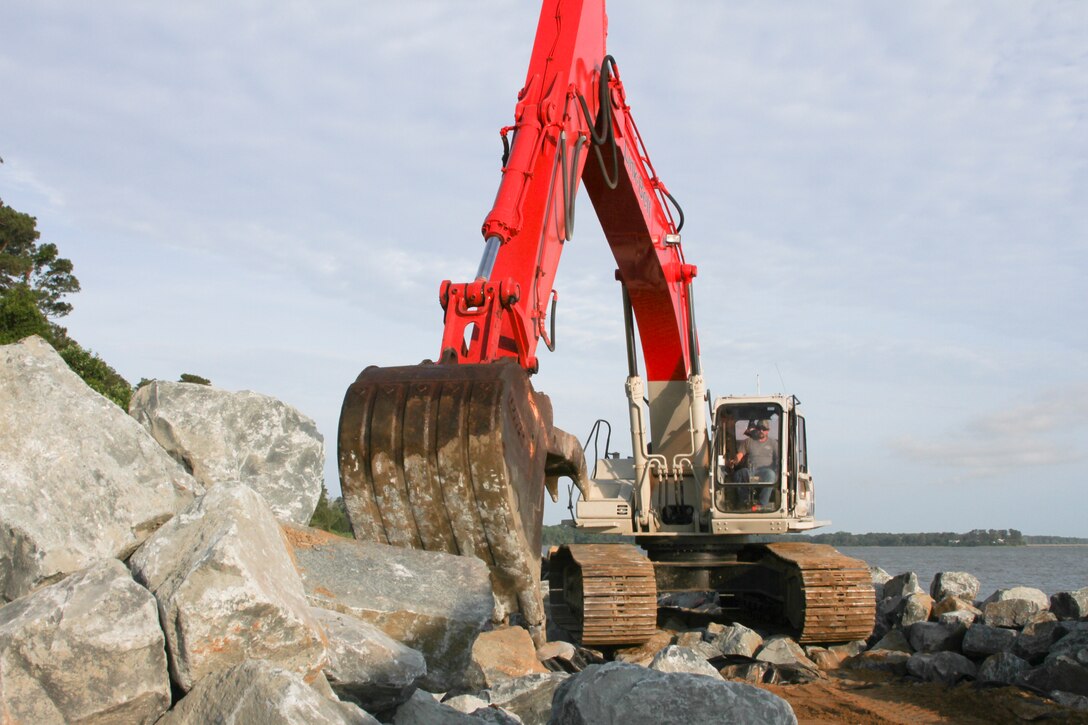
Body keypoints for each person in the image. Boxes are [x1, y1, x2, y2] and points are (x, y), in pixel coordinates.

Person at [729, 419, 779, 508]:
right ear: (756, 428)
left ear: (768, 430)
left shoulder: (773, 444)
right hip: (751, 470)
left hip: (765, 471)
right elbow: (740, 455)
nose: (761, 431)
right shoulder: (748, 441)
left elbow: (779, 459)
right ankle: (744, 502)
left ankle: (762, 504)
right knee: (740, 473)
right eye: (759, 428)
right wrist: (734, 461)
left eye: (764, 429)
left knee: (771, 475)